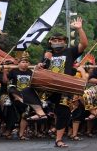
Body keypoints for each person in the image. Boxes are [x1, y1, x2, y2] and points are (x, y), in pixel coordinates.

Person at [34, 17, 88, 148]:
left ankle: (58, 139)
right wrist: (40, 65)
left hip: (64, 87)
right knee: (28, 94)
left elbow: (84, 44)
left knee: (63, 112)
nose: (57, 42)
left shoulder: (70, 51)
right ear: (50, 42)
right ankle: (40, 113)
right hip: (48, 87)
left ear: (65, 42)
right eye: (54, 40)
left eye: (60, 40)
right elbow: (43, 68)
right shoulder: (47, 54)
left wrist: (79, 28)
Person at [3, 55, 33, 140]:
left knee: (26, 112)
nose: (25, 64)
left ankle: (21, 134)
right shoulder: (14, 71)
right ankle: (9, 130)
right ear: (19, 63)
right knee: (11, 112)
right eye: (23, 62)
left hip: (27, 96)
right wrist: (5, 72)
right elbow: (5, 81)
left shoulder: (31, 72)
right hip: (15, 96)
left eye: (26, 62)